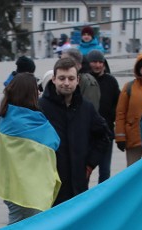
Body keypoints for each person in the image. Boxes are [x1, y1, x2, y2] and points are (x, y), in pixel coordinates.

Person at [39, 56, 110, 205]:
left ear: (78, 80)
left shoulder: (86, 108)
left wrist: (90, 164)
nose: (66, 83)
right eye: (62, 78)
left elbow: (104, 135)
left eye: (71, 78)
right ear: (53, 79)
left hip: (78, 185)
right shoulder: (41, 108)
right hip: (49, 185)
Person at [0, 73, 60, 223]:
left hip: (11, 187)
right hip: (29, 191)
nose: (39, 92)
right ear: (28, 93)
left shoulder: (7, 116)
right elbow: (54, 141)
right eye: (36, 89)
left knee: (15, 227)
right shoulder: (33, 121)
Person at [115, 53, 142, 166]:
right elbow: (120, 113)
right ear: (138, 68)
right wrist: (120, 137)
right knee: (133, 172)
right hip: (133, 138)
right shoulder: (129, 87)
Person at [85, 50, 119, 182]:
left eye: (100, 62)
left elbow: (117, 103)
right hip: (87, 134)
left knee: (105, 172)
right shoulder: (83, 81)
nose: (97, 65)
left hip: (106, 133)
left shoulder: (111, 81)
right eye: (94, 62)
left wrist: (111, 119)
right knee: (85, 171)